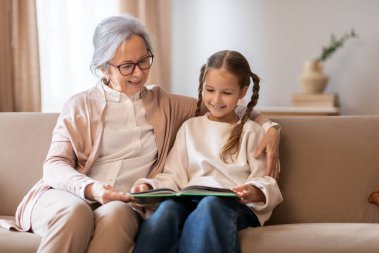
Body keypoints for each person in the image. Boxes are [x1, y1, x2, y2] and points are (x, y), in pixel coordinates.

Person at [0, 15, 280, 253]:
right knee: (76, 213)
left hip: (122, 200)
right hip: (69, 193)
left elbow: (227, 106)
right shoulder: (80, 105)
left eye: (144, 61)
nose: (138, 73)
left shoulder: (166, 104)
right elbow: (54, 165)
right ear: (102, 68)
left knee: (118, 214)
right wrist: (91, 188)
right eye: (126, 66)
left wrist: (269, 127)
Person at [132, 50, 283, 253]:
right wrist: (149, 186)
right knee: (167, 210)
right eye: (210, 90)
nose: (216, 99)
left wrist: (254, 191)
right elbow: (173, 175)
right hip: (190, 201)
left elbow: (268, 182)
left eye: (226, 93)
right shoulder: (190, 128)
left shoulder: (252, 131)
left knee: (210, 206)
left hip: (232, 207)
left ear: (242, 92)